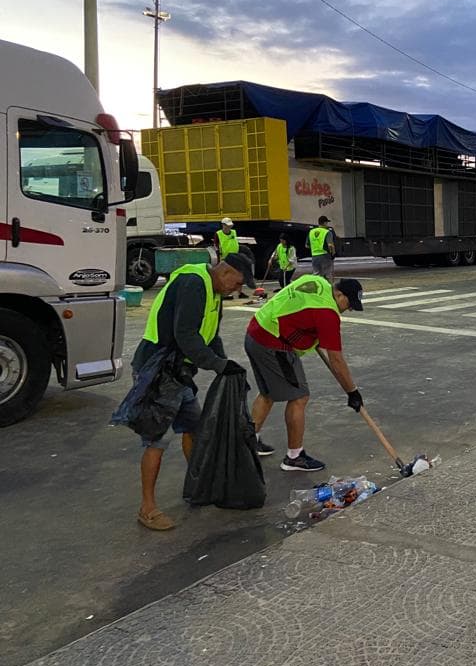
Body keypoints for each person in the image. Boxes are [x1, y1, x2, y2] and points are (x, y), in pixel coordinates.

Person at [132, 253, 255, 530]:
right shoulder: (194, 283)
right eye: (236, 284)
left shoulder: (214, 291)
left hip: (179, 371)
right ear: (225, 272)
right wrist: (217, 365)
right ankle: (147, 508)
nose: (237, 290)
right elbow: (185, 335)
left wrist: (227, 366)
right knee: (157, 439)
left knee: (196, 428)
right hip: (157, 370)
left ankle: (199, 485)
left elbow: (212, 335)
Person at [245, 274, 365, 472]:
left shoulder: (317, 282)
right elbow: (336, 359)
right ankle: (294, 456)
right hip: (273, 342)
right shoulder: (327, 313)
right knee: (300, 396)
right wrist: (352, 391)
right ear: (339, 294)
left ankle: (249, 441)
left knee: (268, 392)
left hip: (257, 330)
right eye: (349, 303)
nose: (349, 308)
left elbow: (295, 300)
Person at [216, 217, 248, 299]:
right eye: (227, 226)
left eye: (230, 226)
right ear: (223, 225)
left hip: (235, 257)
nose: (229, 227)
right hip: (225, 258)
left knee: (240, 275)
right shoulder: (218, 234)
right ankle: (225, 294)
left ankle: (240, 293)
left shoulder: (233, 232)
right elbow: (216, 246)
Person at [308, 215, 336, 279]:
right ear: (325, 223)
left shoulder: (311, 232)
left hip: (314, 256)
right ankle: (327, 288)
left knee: (316, 275)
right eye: (327, 222)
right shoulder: (327, 232)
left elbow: (307, 245)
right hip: (325, 256)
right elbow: (330, 245)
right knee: (327, 275)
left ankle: (318, 288)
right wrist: (333, 253)